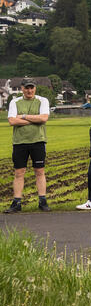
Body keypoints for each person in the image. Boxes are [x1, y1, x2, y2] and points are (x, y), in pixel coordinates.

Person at [5, 77, 51, 213]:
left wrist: (23, 116)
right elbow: (12, 121)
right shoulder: (15, 101)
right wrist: (34, 119)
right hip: (20, 142)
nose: (29, 90)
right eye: (26, 88)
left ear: (35, 88)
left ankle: (42, 201)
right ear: (22, 89)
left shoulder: (43, 100)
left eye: (31, 87)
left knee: (39, 171)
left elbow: (43, 119)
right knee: (19, 172)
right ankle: (16, 203)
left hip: (38, 140)